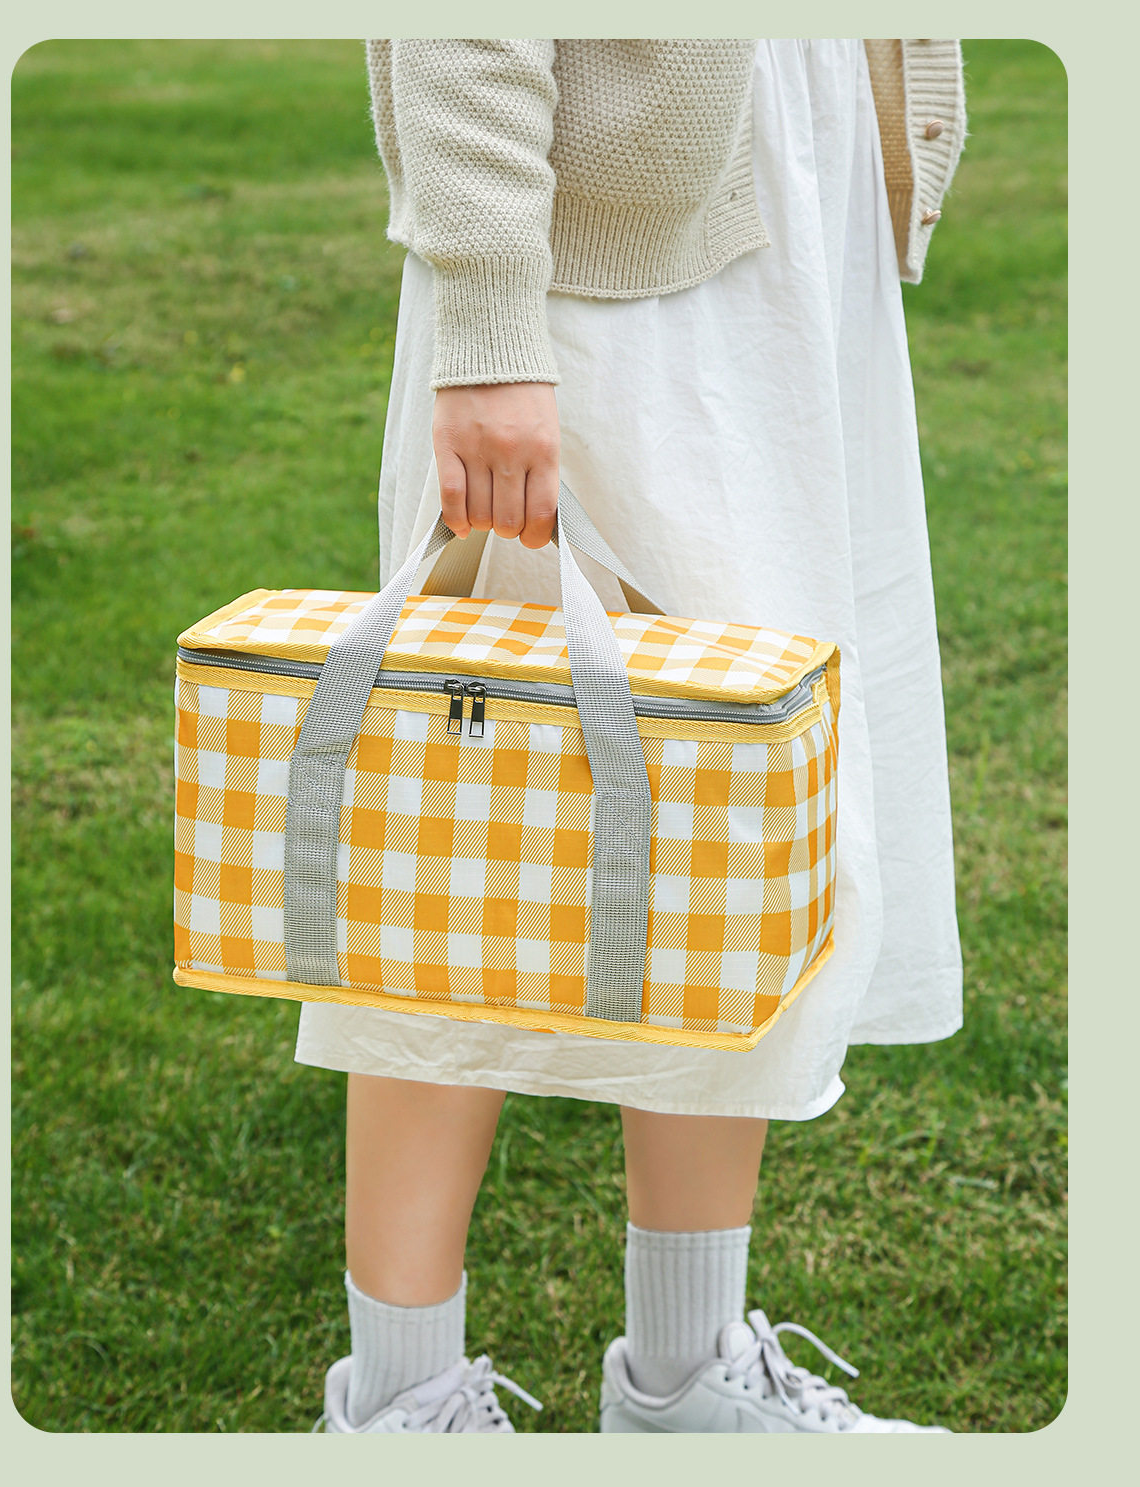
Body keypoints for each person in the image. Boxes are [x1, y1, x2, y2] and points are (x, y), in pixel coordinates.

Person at [300, 38, 967, 1433]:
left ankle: (685, 1378)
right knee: (466, 828)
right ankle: (402, 1405)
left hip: (787, 202)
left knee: (730, 818)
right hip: (594, 260)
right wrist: (492, 323)